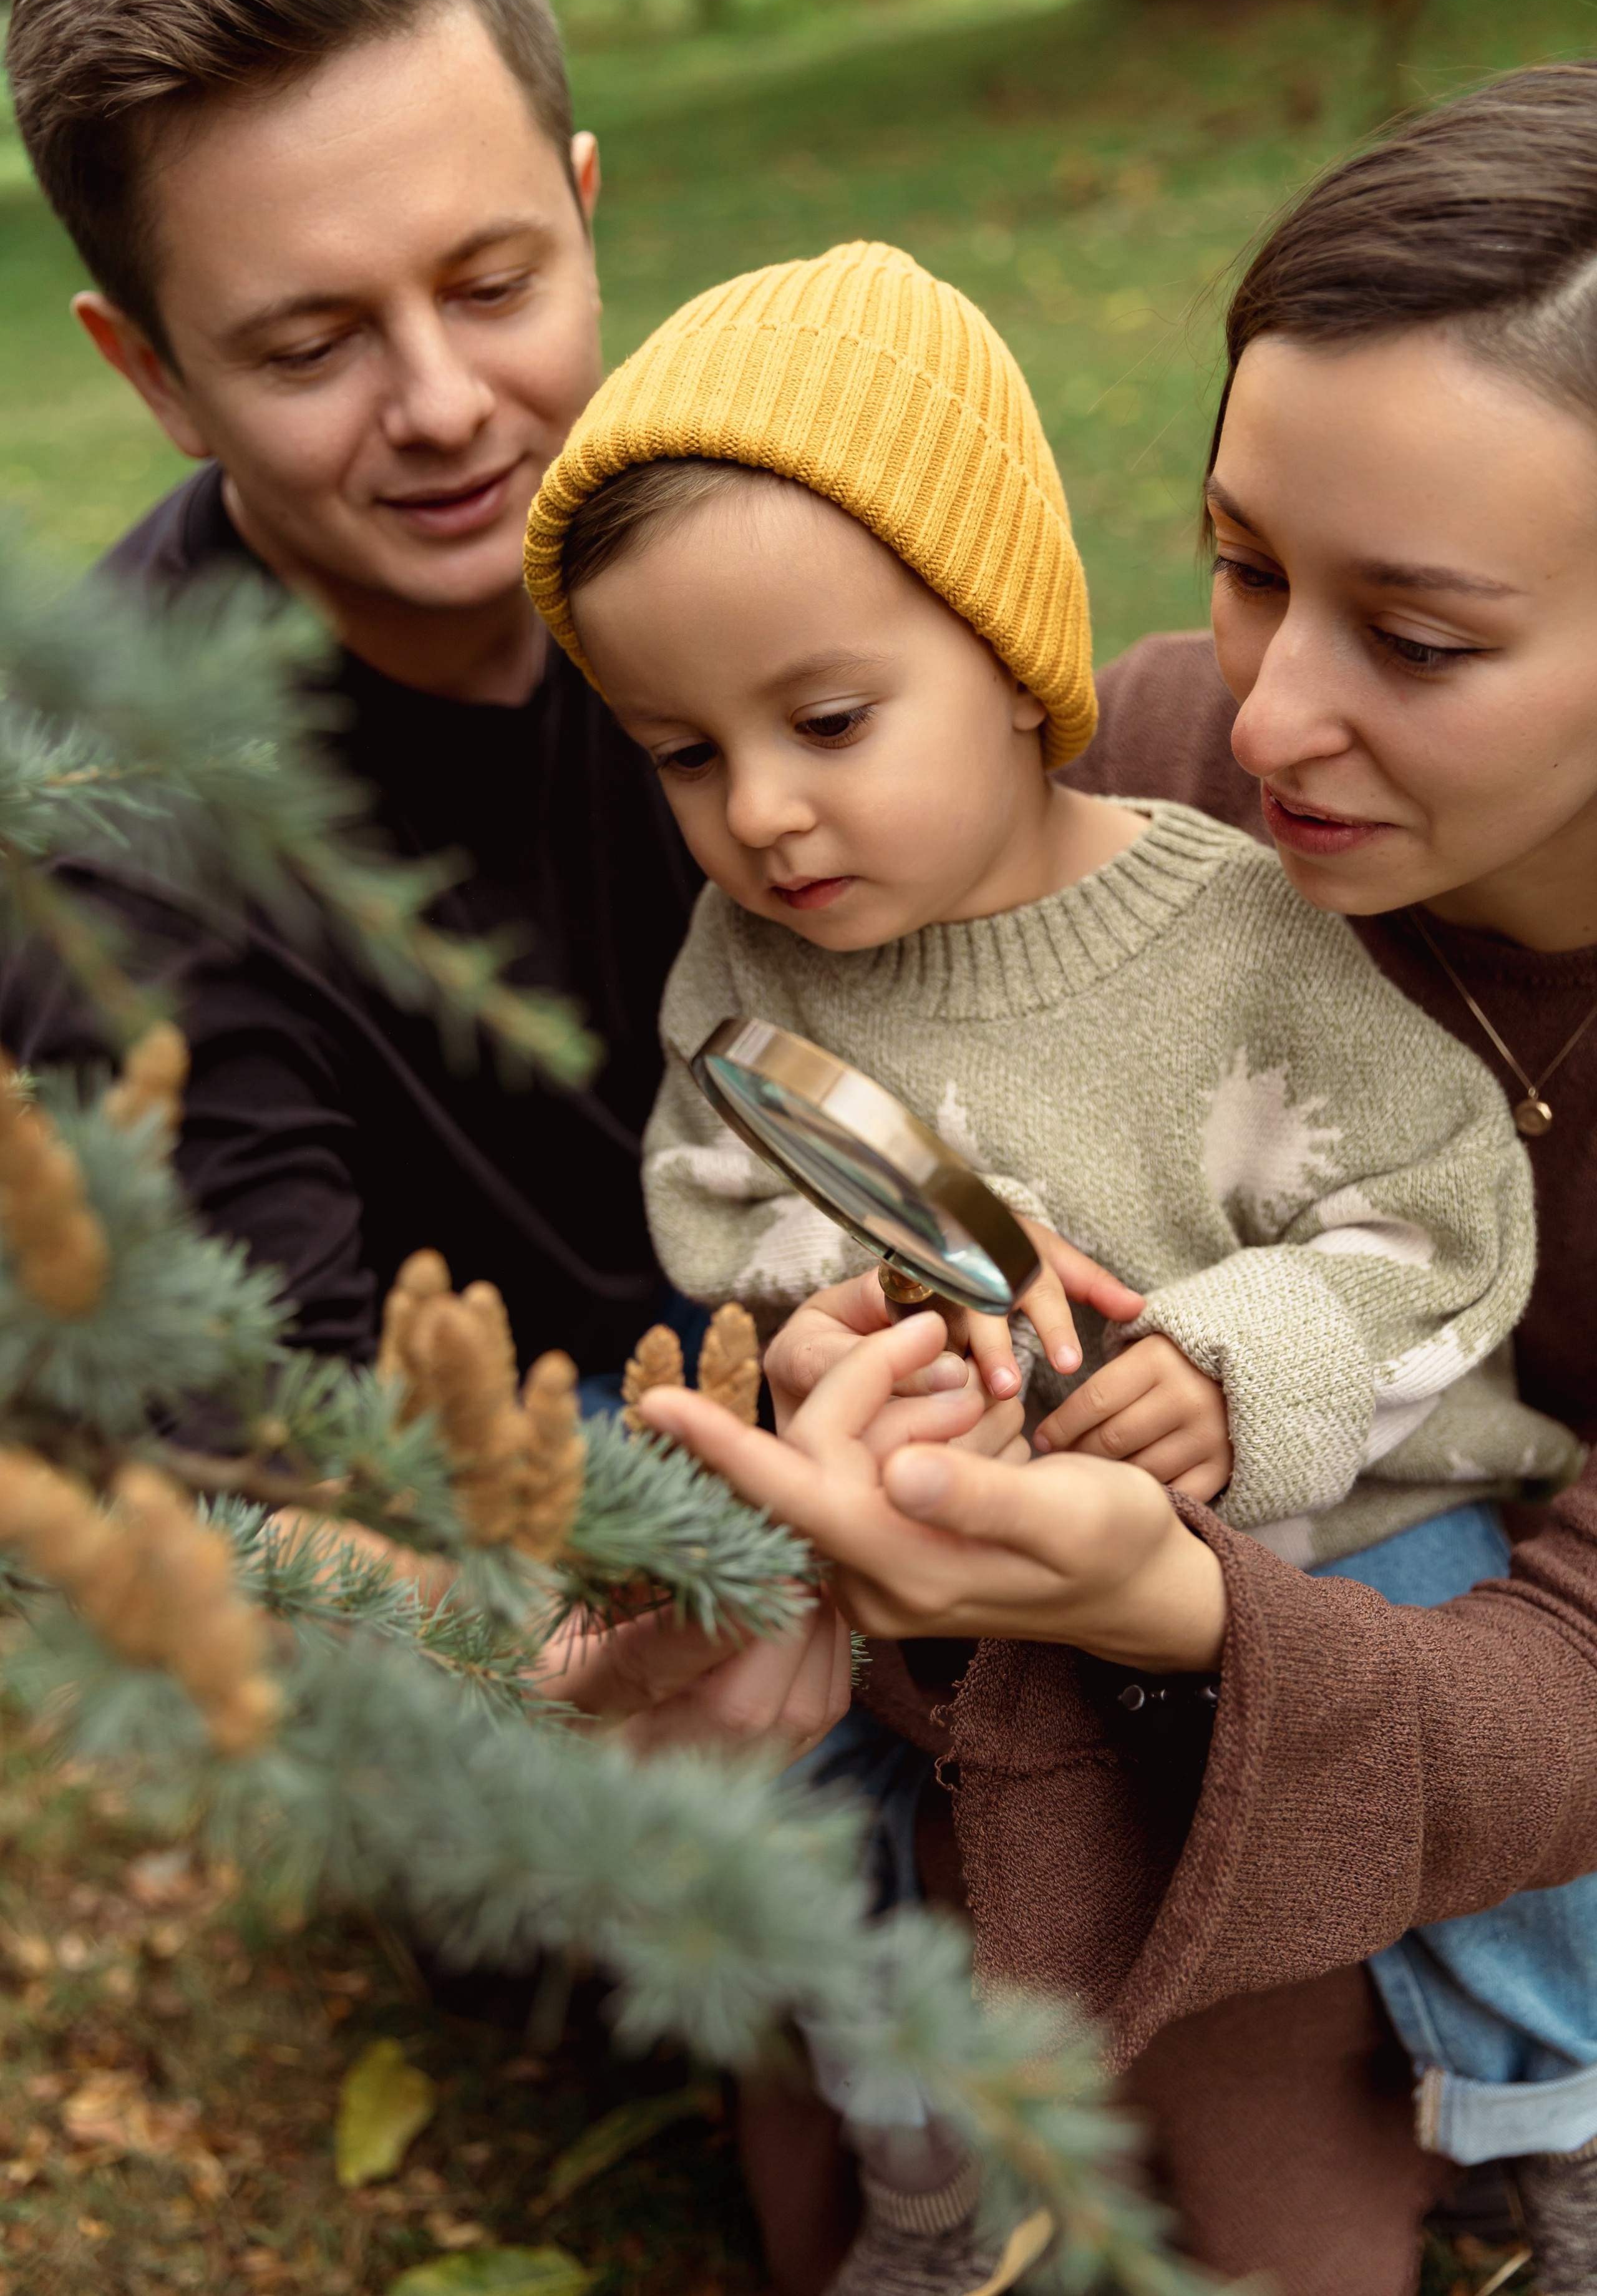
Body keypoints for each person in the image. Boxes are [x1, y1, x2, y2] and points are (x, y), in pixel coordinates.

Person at [518, 237, 1582, 2290]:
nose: (760, 809)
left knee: (1490, 1782)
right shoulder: (750, 961)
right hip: (971, 1544)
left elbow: (1444, 1202)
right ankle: (915, 2128)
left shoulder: (1234, 921)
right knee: (830, 1784)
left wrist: (1236, 1360)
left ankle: (1546, 2103)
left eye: (827, 716)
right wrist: (810, 1326)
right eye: (680, 751)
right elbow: (724, 1175)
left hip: (1349, 1502)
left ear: (1013, 651)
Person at [2, 0, 699, 1378]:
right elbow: (299, 1497)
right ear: (156, 377)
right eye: (310, 347)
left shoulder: (769, 541)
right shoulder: (111, 856)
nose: (442, 403)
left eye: (492, 285)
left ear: (584, 215)